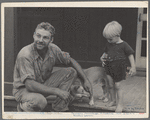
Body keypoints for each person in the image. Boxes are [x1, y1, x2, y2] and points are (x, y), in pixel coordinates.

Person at [12, 22, 93, 112]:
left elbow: (70, 61)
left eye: (45, 37)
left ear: (51, 39)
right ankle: (23, 107)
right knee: (40, 101)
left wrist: (85, 80)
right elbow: (30, 85)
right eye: (38, 36)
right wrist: (57, 91)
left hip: (42, 85)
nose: (40, 40)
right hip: (24, 90)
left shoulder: (53, 49)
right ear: (33, 35)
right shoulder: (25, 54)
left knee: (71, 72)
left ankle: (60, 108)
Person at [100, 21, 136, 112]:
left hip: (119, 69)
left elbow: (130, 55)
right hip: (108, 67)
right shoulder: (109, 44)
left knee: (118, 86)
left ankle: (120, 104)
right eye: (107, 39)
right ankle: (113, 100)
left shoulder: (124, 45)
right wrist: (102, 58)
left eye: (110, 39)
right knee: (111, 85)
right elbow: (105, 53)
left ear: (118, 35)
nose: (108, 41)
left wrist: (133, 67)